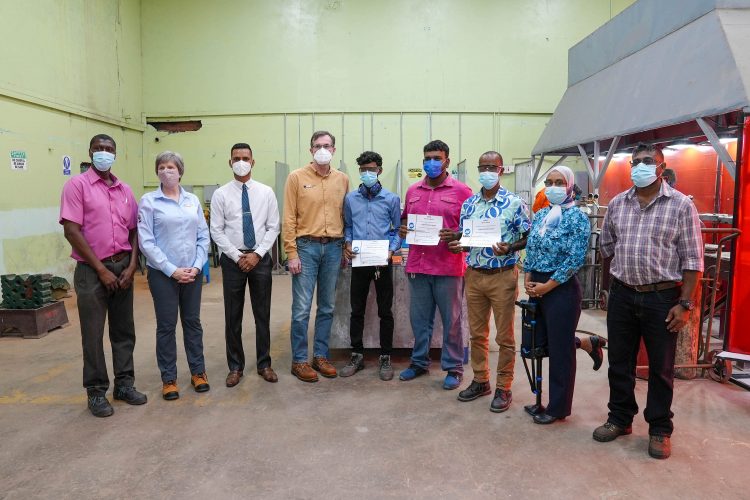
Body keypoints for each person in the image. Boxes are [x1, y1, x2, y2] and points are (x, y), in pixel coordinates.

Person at [594, 143, 703, 459]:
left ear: (660, 166)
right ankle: (620, 418)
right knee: (620, 361)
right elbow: (607, 248)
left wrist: (685, 305)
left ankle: (659, 428)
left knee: (660, 367)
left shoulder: (681, 206)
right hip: (623, 294)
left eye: (647, 162)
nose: (639, 167)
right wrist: (608, 290)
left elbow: (693, 261)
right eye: (635, 162)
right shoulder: (617, 204)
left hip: (662, 297)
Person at [59, 133, 147, 417]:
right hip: (91, 271)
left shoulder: (124, 190)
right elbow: (71, 230)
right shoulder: (77, 186)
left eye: (108, 149)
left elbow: (134, 230)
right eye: (98, 148)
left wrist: (132, 266)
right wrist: (100, 269)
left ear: (114, 154)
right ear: (90, 151)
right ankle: (96, 392)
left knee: (123, 331)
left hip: (123, 267)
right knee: (93, 335)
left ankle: (124, 384)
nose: (103, 153)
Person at [448, 151, 530, 412]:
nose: (486, 171)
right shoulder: (469, 204)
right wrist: (457, 244)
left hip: (502, 276)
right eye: (482, 166)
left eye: (491, 167)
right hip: (473, 275)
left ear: (501, 170)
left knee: (505, 337)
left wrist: (510, 247)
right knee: (476, 334)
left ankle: (504, 387)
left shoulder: (514, 203)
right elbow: (467, 238)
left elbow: (529, 236)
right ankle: (481, 380)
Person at [523, 166, 605, 424]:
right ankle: (585, 343)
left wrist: (548, 285)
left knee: (560, 352)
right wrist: (527, 275)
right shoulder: (541, 215)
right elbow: (531, 247)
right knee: (539, 345)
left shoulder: (578, 218)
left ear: (569, 186)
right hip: (536, 284)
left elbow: (575, 258)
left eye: (559, 182)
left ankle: (558, 408)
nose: (553, 186)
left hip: (560, 289)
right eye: (549, 182)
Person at [397, 140, 473, 390]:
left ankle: (454, 367)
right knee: (419, 320)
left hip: (448, 267)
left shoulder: (462, 191)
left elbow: (471, 230)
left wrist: (459, 238)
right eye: (427, 158)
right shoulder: (412, 191)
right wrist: (403, 229)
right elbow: (405, 222)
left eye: (436, 158)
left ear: (447, 161)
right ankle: (419, 362)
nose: (431, 163)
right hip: (418, 266)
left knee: (452, 321)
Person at [138, 151, 210, 400]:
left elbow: (203, 235)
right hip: (163, 275)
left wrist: (197, 266)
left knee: (192, 323)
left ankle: (198, 372)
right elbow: (146, 241)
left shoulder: (192, 201)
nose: (166, 171)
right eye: (161, 167)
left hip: (192, 273)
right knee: (166, 326)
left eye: (171, 167)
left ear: (180, 171)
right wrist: (171, 269)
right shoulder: (149, 201)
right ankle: (169, 378)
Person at [211, 143, 281, 387]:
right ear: (230, 163)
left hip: (260, 259)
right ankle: (235, 366)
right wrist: (236, 255)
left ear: (253, 162)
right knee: (233, 316)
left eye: (245, 158)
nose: (241, 161)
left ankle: (264, 363)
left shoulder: (266, 192)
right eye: (236, 158)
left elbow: (274, 226)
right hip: (232, 261)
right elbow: (216, 230)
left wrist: (257, 254)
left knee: (262, 314)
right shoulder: (221, 194)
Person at [283, 131, 350, 382]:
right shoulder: (296, 178)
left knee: (327, 307)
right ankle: (299, 360)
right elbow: (289, 217)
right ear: (310, 150)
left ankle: (320, 355)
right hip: (306, 247)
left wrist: (345, 247)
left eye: (327, 145)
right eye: (317, 146)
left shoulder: (342, 179)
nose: (322, 149)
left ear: (334, 150)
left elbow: (346, 215)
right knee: (301, 308)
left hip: (333, 248)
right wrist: (291, 252)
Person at [340, 151, 401, 380]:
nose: (367, 173)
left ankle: (385, 356)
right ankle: (357, 354)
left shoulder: (392, 199)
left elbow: (396, 231)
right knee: (357, 309)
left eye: (371, 169)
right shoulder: (350, 199)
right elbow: (348, 227)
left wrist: (391, 250)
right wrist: (347, 242)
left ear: (380, 170)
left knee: (385, 311)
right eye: (363, 170)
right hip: (359, 261)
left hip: (382, 262)